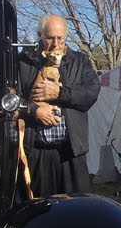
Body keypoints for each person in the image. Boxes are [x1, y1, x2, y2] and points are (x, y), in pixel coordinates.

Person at [15, 14, 100, 197]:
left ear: (66, 36)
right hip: (36, 152)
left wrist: (60, 93)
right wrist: (35, 111)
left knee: (75, 210)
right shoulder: (24, 62)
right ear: (40, 35)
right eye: (50, 38)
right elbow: (10, 99)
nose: (55, 44)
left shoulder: (79, 61)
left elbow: (91, 93)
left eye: (60, 38)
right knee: (38, 209)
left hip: (70, 152)